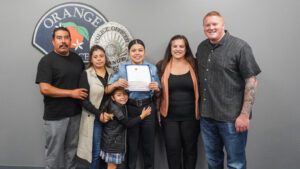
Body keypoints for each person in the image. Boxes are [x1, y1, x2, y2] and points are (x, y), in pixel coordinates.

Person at [196, 11, 261, 169]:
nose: (211, 27)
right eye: (207, 25)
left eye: (215, 24)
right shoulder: (202, 47)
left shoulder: (240, 47)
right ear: (204, 27)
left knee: (236, 164)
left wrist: (245, 115)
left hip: (232, 119)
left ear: (223, 25)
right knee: (213, 161)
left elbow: (251, 81)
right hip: (207, 118)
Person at [35, 27, 87, 169]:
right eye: (59, 38)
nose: (63, 41)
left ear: (71, 40)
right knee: (54, 153)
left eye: (66, 37)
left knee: (72, 150)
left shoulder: (77, 59)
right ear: (53, 41)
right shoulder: (47, 61)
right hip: (55, 117)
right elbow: (44, 88)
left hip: (75, 114)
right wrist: (71, 93)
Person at [106, 39, 161, 169]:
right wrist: (116, 84)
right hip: (130, 108)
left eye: (140, 50)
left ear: (144, 52)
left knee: (149, 145)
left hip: (148, 107)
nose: (137, 53)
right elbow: (107, 89)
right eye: (134, 50)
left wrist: (157, 88)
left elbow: (159, 91)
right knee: (132, 145)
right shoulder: (122, 68)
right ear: (129, 52)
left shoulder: (152, 68)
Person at [156, 35, 200, 169]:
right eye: (175, 46)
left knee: (190, 151)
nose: (178, 49)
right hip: (169, 118)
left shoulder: (195, 64)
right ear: (170, 48)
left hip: (191, 117)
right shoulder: (161, 65)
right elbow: (157, 92)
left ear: (186, 48)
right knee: (172, 152)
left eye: (181, 46)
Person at [76, 45, 112, 169]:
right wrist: (99, 114)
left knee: (109, 152)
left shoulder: (113, 73)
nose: (99, 59)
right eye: (95, 57)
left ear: (105, 58)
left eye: (101, 56)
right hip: (95, 118)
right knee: (96, 152)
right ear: (91, 59)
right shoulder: (86, 74)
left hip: (111, 118)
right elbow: (83, 100)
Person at [100, 87, 152, 169]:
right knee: (112, 166)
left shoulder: (121, 105)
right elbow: (128, 123)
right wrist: (142, 116)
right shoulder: (116, 109)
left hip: (114, 143)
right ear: (113, 98)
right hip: (112, 144)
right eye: (119, 95)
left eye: (125, 94)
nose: (123, 97)